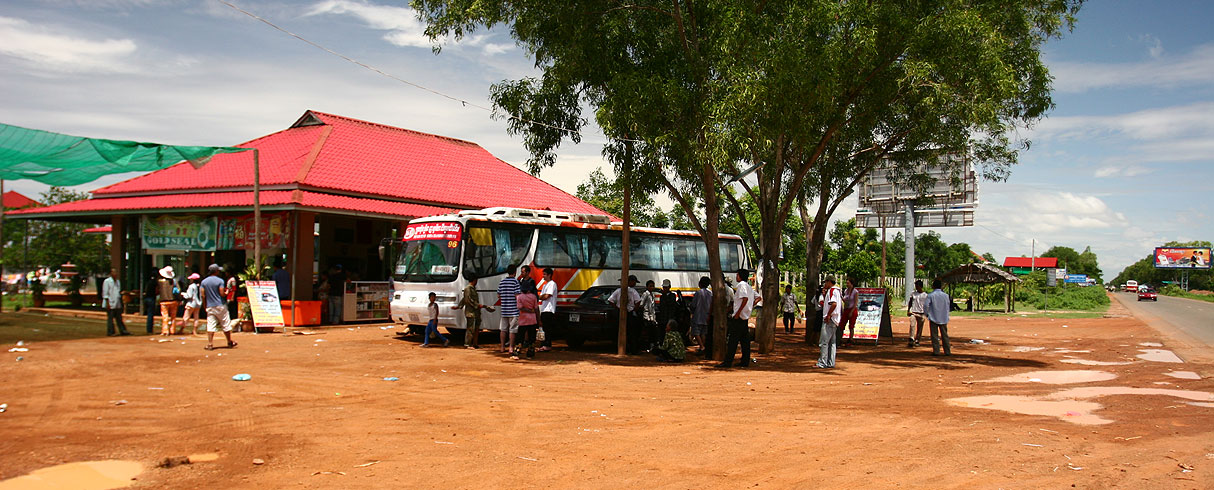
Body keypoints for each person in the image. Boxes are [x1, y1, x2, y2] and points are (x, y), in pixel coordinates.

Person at [717, 269, 755, 368]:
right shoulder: (749, 287)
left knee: (732, 341)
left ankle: (728, 362)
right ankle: (745, 361)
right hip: (745, 317)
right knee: (744, 341)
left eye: (737, 275)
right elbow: (757, 298)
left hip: (739, 317)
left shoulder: (741, 285)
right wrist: (749, 308)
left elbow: (745, 298)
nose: (736, 277)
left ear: (740, 276)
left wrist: (738, 312)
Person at [200, 264, 236, 351]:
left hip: (210, 305)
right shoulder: (220, 281)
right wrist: (226, 293)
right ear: (216, 271)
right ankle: (229, 341)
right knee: (225, 323)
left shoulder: (204, 282)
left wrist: (205, 305)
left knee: (211, 325)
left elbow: (203, 295)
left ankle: (210, 343)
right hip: (220, 305)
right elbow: (221, 293)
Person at [452, 276, 493, 349]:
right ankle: (467, 344)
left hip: (476, 312)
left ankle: (475, 343)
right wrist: (477, 305)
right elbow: (467, 300)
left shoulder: (473, 289)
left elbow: (464, 299)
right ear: (475, 280)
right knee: (470, 328)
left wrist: (459, 306)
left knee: (477, 328)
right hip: (470, 312)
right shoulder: (468, 289)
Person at [608, 275, 643, 354]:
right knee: (632, 333)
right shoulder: (633, 291)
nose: (635, 284)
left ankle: (620, 349)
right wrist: (634, 309)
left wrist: (617, 308)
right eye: (634, 282)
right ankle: (632, 350)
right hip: (629, 314)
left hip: (620, 313)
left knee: (619, 332)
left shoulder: (618, 290)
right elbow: (638, 301)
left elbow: (610, 300)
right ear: (630, 281)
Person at [816, 276, 842, 368]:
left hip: (830, 319)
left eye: (826, 282)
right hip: (835, 319)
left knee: (824, 341)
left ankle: (822, 362)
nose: (825, 284)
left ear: (829, 282)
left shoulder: (832, 291)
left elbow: (833, 304)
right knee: (832, 342)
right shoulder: (837, 291)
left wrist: (828, 315)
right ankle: (831, 362)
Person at [923, 279, 952, 356]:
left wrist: (927, 314)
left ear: (933, 286)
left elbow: (926, 305)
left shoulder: (930, 295)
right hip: (943, 317)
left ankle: (936, 351)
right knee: (945, 335)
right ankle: (947, 351)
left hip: (933, 317)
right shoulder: (946, 296)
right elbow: (948, 306)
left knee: (934, 335)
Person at [497, 264, 521, 353]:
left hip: (504, 310)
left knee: (503, 329)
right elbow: (517, 296)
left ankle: (502, 347)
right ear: (515, 272)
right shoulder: (516, 282)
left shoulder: (502, 282)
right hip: (514, 310)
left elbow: (498, 295)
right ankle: (511, 347)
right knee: (512, 330)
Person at [101, 268, 130, 336]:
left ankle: (123, 330)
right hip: (110, 302)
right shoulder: (107, 281)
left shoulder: (117, 282)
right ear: (111, 273)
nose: (115, 274)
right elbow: (105, 293)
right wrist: (107, 303)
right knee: (110, 319)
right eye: (114, 272)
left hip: (117, 302)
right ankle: (111, 332)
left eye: (116, 272)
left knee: (119, 318)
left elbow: (117, 291)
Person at [515, 282, 539, 359]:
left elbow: (520, 307)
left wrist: (527, 310)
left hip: (523, 320)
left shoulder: (519, 297)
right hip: (532, 319)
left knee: (520, 336)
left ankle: (517, 352)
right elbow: (536, 308)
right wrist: (538, 318)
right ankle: (530, 353)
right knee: (532, 337)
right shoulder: (533, 297)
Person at [536, 268, 558, 352]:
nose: (543, 276)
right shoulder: (545, 285)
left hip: (549, 309)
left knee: (548, 328)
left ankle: (548, 345)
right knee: (544, 328)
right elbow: (541, 296)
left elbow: (546, 296)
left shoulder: (552, 284)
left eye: (544, 274)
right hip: (544, 309)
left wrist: (541, 297)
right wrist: (541, 297)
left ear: (549, 275)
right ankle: (543, 344)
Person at [690, 276, 712, 355]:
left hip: (698, 316)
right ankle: (702, 346)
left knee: (696, 332)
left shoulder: (698, 293)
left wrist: (691, 310)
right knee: (703, 332)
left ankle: (702, 346)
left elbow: (693, 305)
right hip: (706, 316)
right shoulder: (710, 293)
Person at [156, 266, 178, 336]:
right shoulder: (174, 282)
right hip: (173, 300)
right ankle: (172, 330)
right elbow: (178, 290)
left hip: (164, 301)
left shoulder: (160, 282)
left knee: (165, 317)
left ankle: (165, 331)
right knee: (173, 317)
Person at [906, 279, 928, 348]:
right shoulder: (913, 294)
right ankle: (911, 338)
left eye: (917, 286)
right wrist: (908, 310)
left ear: (920, 286)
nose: (916, 287)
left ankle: (917, 339)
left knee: (920, 327)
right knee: (912, 325)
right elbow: (910, 302)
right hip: (914, 312)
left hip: (921, 313)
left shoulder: (925, 295)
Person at [840, 277, 858, 347]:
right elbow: (845, 300)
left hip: (852, 309)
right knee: (842, 324)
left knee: (851, 325)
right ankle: (840, 338)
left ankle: (851, 339)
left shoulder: (855, 292)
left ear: (852, 284)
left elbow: (856, 302)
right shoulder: (846, 291)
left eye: (848, 283)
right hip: (846, 309)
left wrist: (852, 311)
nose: (847, 284)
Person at [640, 279, 658, 348]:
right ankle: (647, 346)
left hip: (652, 316)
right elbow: (641, 304)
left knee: (653, 332)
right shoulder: (645, 294)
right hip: (647, 316)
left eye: (653, 286)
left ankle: (652, 344)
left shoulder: (652, 295)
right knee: (648, 332)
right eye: (650, 286)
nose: (652, 287)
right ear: (647, 287)